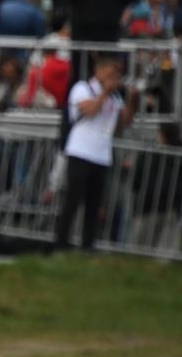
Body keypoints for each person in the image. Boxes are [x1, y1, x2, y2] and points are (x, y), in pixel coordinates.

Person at [54, 54, 132, 250]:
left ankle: (88, 245)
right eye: (110, 73)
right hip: (80, 151)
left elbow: (124, 123)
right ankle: (61, 242)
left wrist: (131, 99)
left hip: (101, 155)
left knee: (94, 204)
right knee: (72, 200)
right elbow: (89, 111)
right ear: (98, 71)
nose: (113, 78)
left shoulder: (115, 96)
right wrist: (104, 92)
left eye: (116, 75)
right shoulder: (82, 88)